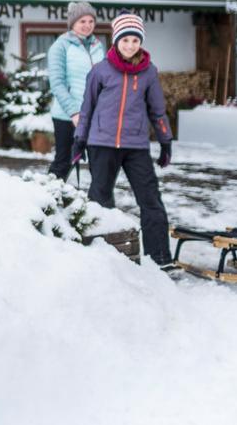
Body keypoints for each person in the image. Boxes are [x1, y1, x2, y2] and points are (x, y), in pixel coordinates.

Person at [71, 13, 175, 267]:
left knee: (150, 200)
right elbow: (88, 108)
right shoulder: (100, 71)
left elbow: (157, 110)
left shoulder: (149, 72)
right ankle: (101, 255)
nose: (130, 45)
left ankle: (159, 257)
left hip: (135, 145)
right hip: (102, 144)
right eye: (125, 40)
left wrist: (165, 141)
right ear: (116, 41)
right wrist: (79, 140)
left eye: (135, 40)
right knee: (100, 198)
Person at [46, 1, 105, 184]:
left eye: (90, 21)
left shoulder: (98, 45)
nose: (87, 25)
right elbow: (57, 83)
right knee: (64, 162)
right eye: (82, 21)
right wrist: (74, 112)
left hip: (94, 115)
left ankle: (101, 204)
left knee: (100, 162)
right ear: (72, 23)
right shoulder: (61, 46)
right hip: (67, 116)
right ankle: (47, 200)